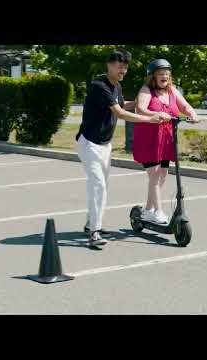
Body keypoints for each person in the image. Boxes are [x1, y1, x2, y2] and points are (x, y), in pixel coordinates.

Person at [76, 48, 169, 247]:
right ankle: (94, 232)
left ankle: (90, 224)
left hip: (104, 145)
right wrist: (149, 118)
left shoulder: (116, 86)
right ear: (109, 65)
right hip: (89, 143)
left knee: (101, 186)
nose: (123, 71)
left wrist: (143, 101)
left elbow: (123, 104)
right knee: (98, 184)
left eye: (125, 68)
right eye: (120, 67)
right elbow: (120, 112)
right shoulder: (99, 85)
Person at [133, 59, 198, 224]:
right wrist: (155, 115)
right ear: (152, 76)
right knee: (154, 176)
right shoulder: (146, 90)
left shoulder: (172, 91)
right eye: (161, 73)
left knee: (162, 176)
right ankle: (159, 212)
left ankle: (148, 210)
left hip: (166, 140)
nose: (165, 76)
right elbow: (140, 108)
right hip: (149, 140)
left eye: (167, 74)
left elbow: (185, 106)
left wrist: (192, 113)